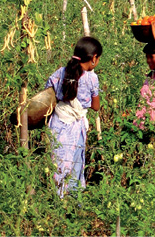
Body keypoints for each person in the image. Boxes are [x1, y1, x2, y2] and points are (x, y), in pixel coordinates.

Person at [45, 36, 102, 198]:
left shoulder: (60, 72)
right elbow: (96, 106)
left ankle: (57, 201)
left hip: (58, 125)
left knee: (58, 163)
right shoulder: (92, 78)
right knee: (76, 164)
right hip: (76, 129)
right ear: (93, 58)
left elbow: (47, 95)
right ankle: (74, 203)